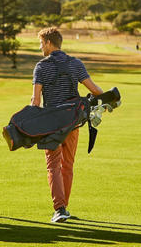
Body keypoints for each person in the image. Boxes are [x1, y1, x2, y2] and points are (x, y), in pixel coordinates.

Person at [31, 27, 103, 223]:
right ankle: (64, 208)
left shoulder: (41, 66)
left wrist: (31, 123)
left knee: (53, 165)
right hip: (72, 121)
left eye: (41, 43)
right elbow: (95, 90)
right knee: (68, 165)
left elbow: (36, 101)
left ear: (48, 42)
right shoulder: (75, 63)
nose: (40, 47)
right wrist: (108, 98)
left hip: (52, 123)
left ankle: (60, 208)